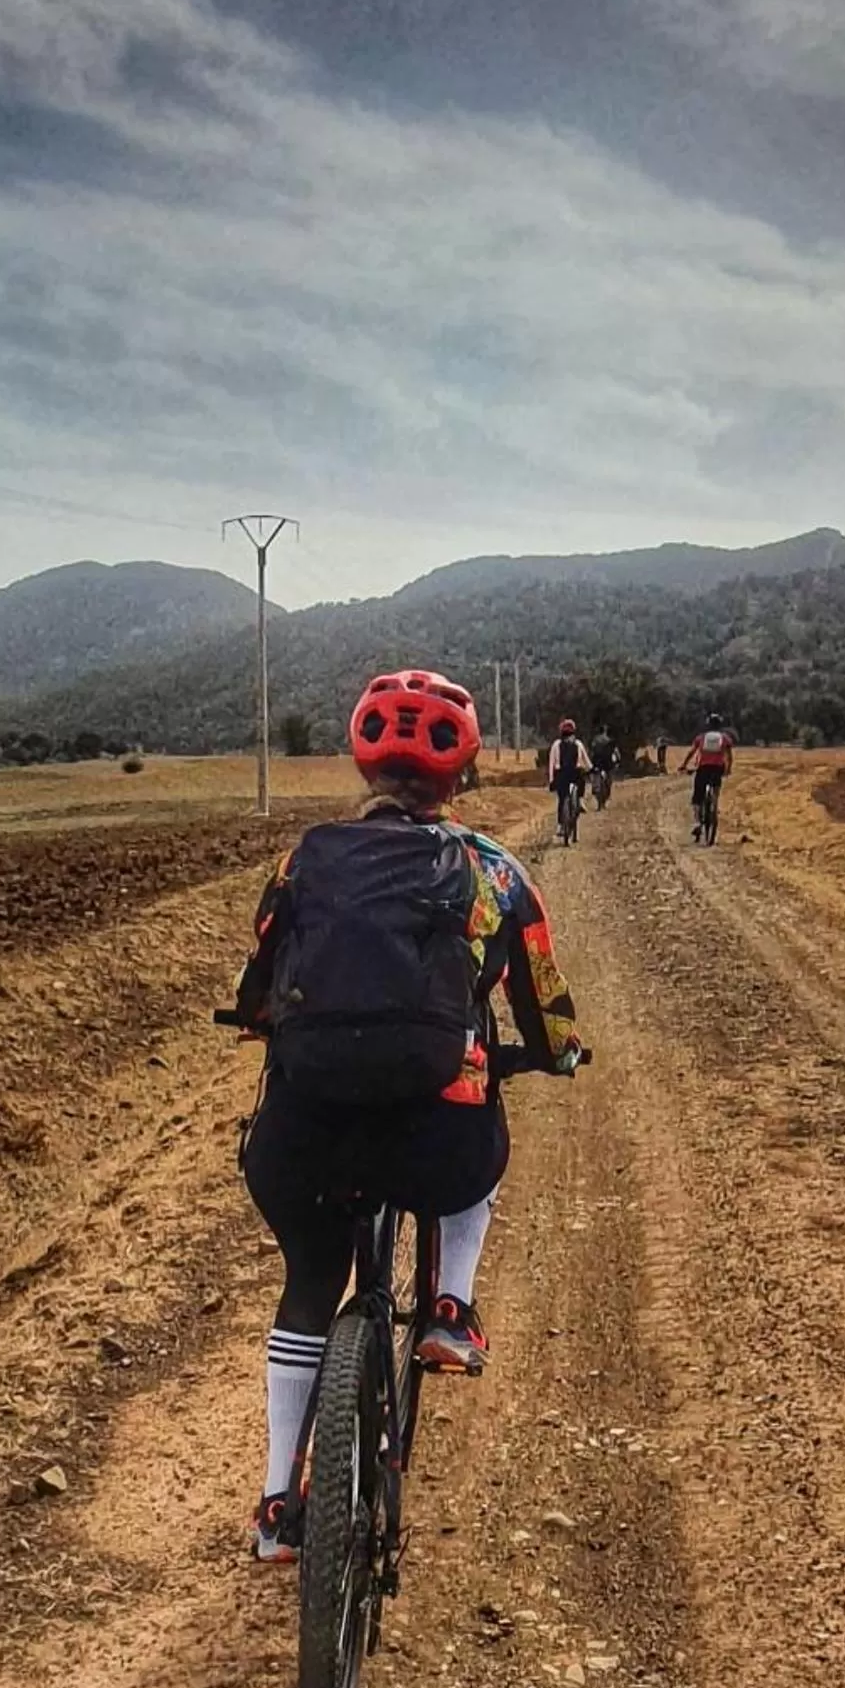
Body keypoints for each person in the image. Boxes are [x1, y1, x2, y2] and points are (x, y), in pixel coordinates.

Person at [230, 669, 585, 1563]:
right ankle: (448, 1308)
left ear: (362, 764)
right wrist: (554, 1053)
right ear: (460, 777)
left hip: (306, 1130)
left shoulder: (304, 859)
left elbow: (259, 987)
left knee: (309, 1279)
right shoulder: (492, 869)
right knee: (482, 1135)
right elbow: (542, 995)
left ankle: (277, 1506)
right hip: (438, 1135)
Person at [685, 713, 735, 832]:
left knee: (697, 797)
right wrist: (728, 769)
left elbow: (691, 752)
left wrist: (684, 764)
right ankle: (714, 804)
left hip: (703, 768)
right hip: (717, 768)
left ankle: (697, 822)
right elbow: (729, 757)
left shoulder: (701, 737)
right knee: (715, 788)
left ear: (708, 724)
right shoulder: (725, 738)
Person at [545, 719, 591, 828]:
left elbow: (551, 764)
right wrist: (590, 769)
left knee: (562, 799)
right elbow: (586, 761)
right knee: (581, 780)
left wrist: (551, 780)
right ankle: (580, 801)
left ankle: (560, 826)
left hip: (560, 775)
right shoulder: (578, 744)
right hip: (575, 774)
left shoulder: (556, 744)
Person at [586, 726, 619, 805]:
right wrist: (617, 761)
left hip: (597, 763)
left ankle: (599, 800)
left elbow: (590, 752)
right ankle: (606, 797)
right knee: (608, 781)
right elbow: (616, 753)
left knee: (596, 782)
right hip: (608, 764)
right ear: (605, 731)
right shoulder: (610, 741)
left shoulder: (594, 740)